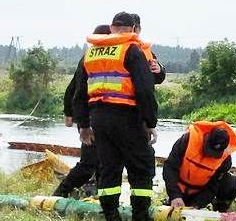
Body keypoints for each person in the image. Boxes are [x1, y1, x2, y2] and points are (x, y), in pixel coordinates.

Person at [55, 18, 166, 198]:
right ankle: (60, 194)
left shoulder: (138, 50)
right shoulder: (97, 54)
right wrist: (72, 114)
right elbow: (76, 87)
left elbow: (155, 79)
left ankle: (100, 199)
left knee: (109, 164)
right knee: (91, 163)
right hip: (96, 116)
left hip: (127, 118)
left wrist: (159, 69)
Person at [73, 11, 159, 221]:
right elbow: (144, 89)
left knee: (108, 172)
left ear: (111, 28)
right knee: (141, 171)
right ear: (133, 29)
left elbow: (79, 91)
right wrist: (150, 122)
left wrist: (83, 125)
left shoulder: (91, 53)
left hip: (99, 120)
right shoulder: (131, 49)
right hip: (128, 117)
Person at [162, 121, 236, 212]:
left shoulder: (225, 160)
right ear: (206, 138)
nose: (210, 155)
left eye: (214, 153)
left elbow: (213, 186)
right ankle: (175, 201)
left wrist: (197, 205)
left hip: (200, 193)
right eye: (209, 150)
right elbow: (170, 168)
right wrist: (175, 195)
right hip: (180, 190)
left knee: (232, 182)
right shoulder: (187, 140)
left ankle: (220, 210)